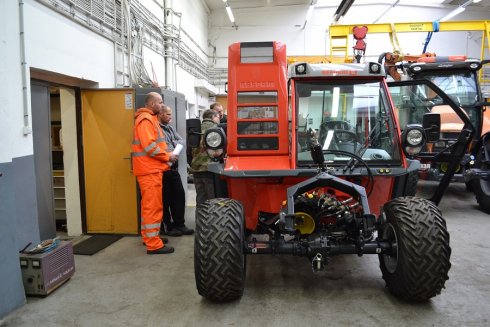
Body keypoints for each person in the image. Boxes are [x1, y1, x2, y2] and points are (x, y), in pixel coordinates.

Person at [132, 92, 177, 255]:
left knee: (149, 207)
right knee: (152, 207)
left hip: (151, 169)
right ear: (152, 104)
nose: (162, 105)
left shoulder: (149, 118)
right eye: (160, 102)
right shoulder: (146, 119)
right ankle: (153, 244)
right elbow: (149, 146)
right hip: (149, 170)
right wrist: (168, 156)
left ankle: (150, 237)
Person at [157, 104, 194, 237]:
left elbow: (181, 140)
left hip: (172, 168)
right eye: (168, 114)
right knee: (164, 200)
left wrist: (174, 149)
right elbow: (160, 148)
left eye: (171, 114)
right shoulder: (156, 128)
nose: (170, 117)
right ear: (160, 114)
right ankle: (167, 226)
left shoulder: (170, 128)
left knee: (179, 196)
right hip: (161, 169)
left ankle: (180, 224)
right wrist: (171, 151)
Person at [190, 109, 220, 209]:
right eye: (218, 117)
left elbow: (188, 150)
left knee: (200, 199)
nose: (219, 119)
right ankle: (213, 223)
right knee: (213, 200)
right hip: (210, 169)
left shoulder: (193, 130)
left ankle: (200, 223)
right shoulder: (216, 129)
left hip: (196, 169)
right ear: (214, 117)